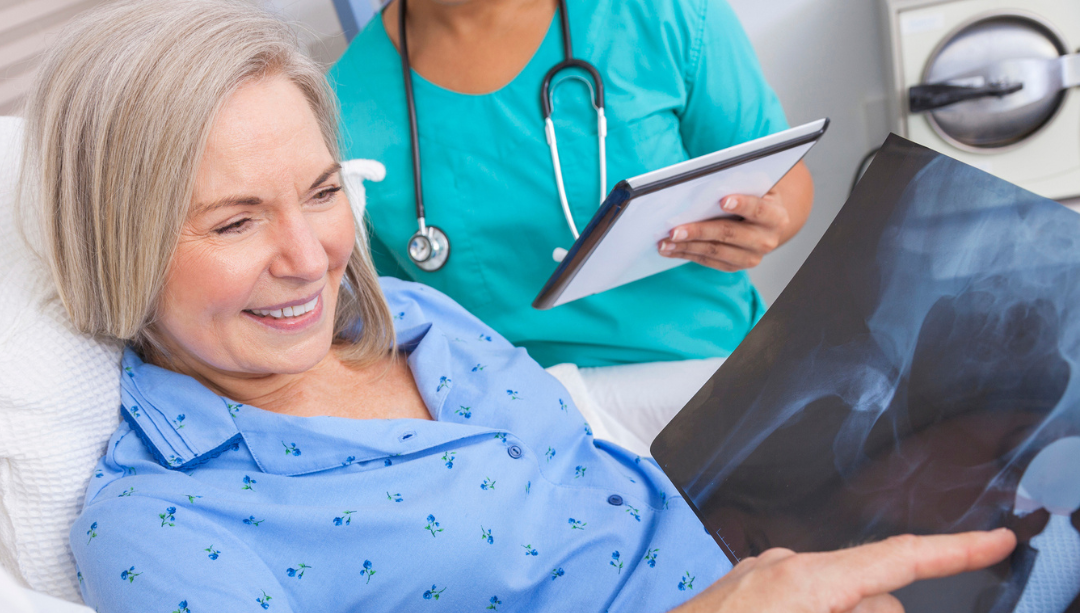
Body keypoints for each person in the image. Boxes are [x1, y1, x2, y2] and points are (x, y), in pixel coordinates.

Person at [27, 2, 1012, 613]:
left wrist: (783, 597)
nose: (308, 257)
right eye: (236, 221)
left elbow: (608, 505)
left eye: (325, 193)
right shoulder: (163, 519)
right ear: (121, 243)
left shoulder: (417, 319)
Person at [329, 0, 815, 375]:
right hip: (518, 425)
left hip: (707, 373)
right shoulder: (339, 108)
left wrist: (769, 222)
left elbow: (785, 180)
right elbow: (380, 322)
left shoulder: (658, 13)